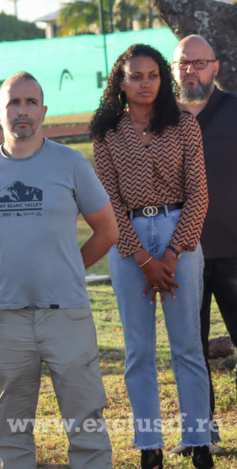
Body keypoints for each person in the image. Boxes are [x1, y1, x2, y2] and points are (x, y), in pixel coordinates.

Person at [0, 72, 117, 468]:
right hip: (7, 318)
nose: (22, 110)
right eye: (14, 103)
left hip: (66, 313)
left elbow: (107, 230)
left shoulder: (71, 163)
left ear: (44, 111)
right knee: (10, 431)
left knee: (86, 425)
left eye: (31, 102)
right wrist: (10, 269)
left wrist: (64, 268)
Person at [90, 44, 213, 469]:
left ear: (164, 79)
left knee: (188, 347)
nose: (145, 83)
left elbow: (199, 194)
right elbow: (107, 203)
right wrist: (143, 258)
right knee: (138, 350)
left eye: (153, 75)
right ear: (120, 83)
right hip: (129, 242)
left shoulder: (183, 124)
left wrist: (174, 252)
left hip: (182, 237)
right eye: (135, 76)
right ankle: (149, 447)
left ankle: (198, 442)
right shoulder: (106, 132)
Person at [172, 34, 237, 453]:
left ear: (216, 66)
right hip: (181, 254)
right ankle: (199, 435)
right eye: (183, 63)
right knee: (189, 351)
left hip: (235, 254)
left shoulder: (236, 110)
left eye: (200, 62)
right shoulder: (160, 119)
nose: (191, 70)